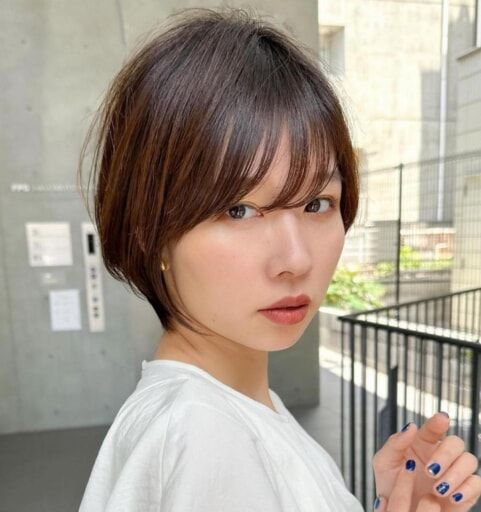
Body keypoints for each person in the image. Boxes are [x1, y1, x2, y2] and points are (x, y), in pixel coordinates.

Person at [77, 6, 481, 512]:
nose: (295, 260)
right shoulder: (204, 435)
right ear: (148, 231)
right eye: (238, 209)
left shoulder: (231, 406)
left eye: (317, 204)